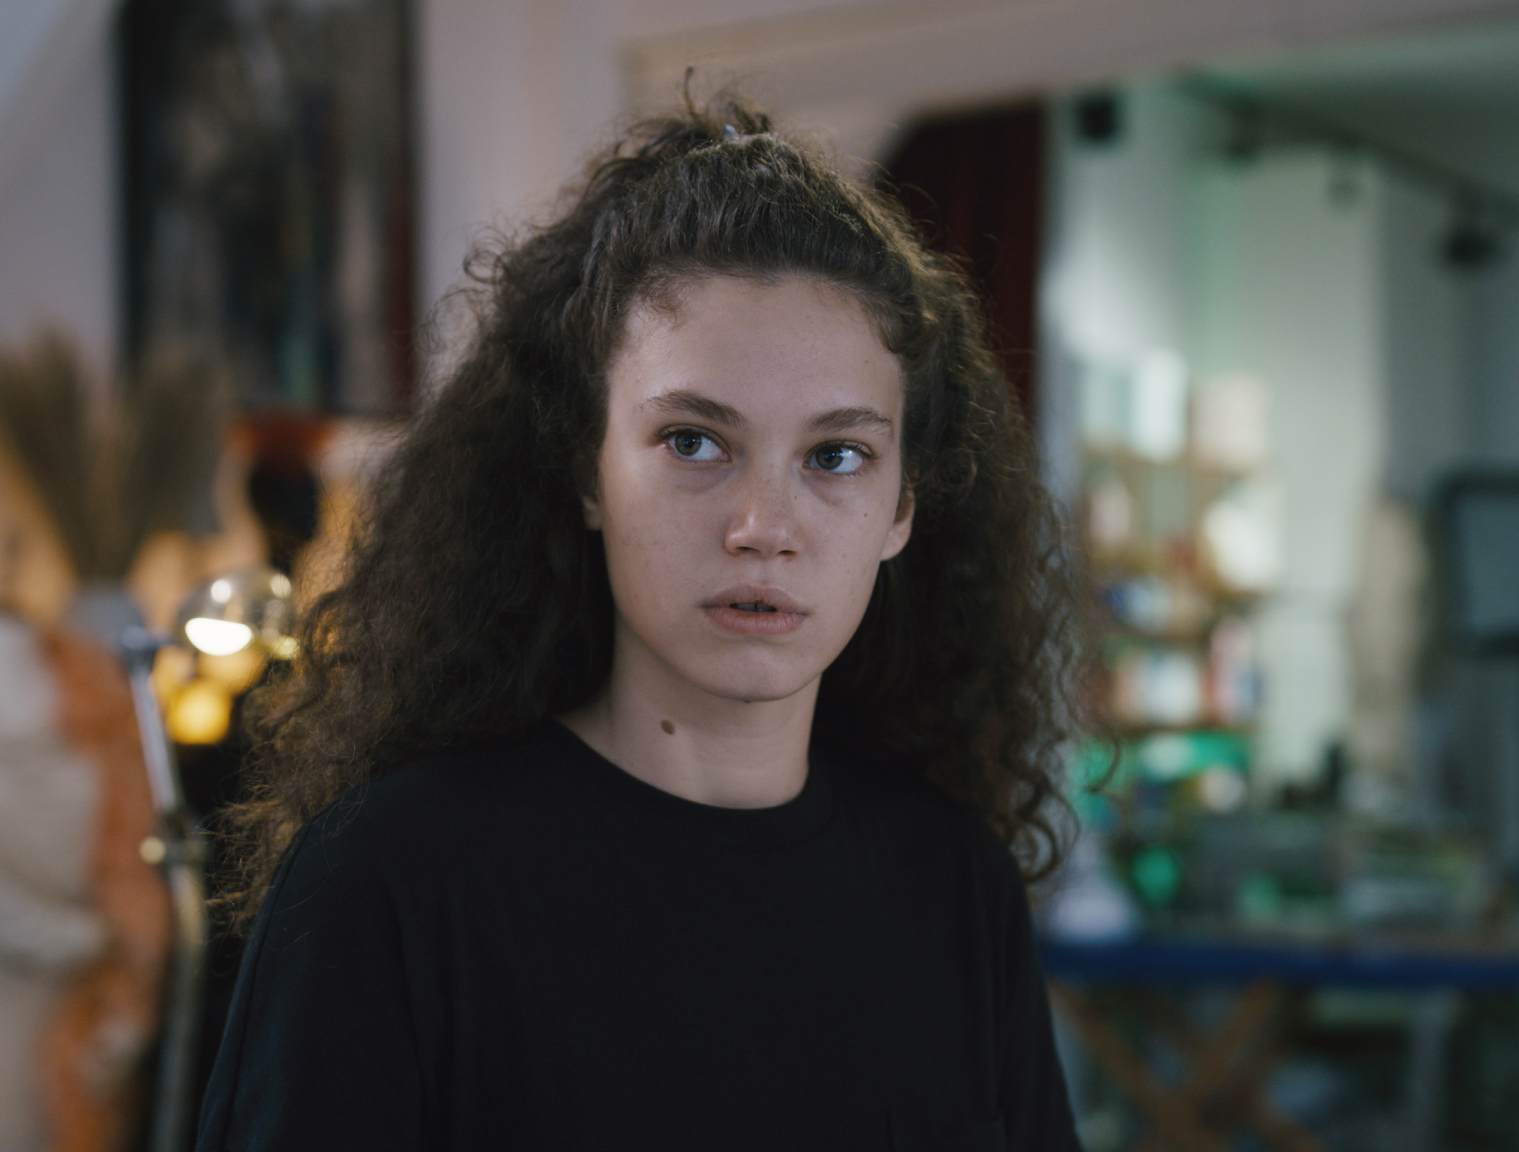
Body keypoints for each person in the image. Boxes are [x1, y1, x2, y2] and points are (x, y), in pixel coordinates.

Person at [197, 95, 1091, 1151]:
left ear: (902, 507)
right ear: (586, 471)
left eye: (836, 456)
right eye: (693, 442)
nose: (763, 528)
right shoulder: (389, 882)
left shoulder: (954, 889)